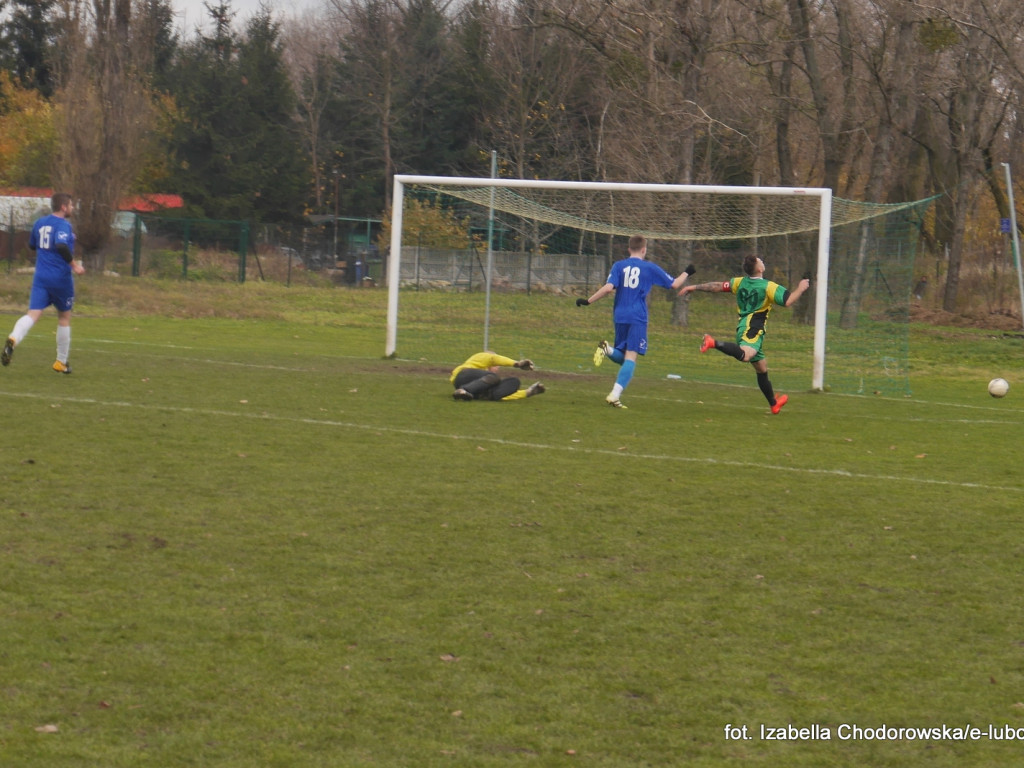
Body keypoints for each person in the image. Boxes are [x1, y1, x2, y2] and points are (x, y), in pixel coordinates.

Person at [679, 254, 809, 414]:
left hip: (743, 326)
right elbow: (788, 301)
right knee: (746, 356)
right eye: (760, 260)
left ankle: (773, 404)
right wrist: (801, 288)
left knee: (762, 368)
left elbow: (718, 286)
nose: (762, 260)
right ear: (760, 269)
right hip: (752, 329)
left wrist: (694, 287)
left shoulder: (740, 282)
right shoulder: (768, 286)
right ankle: (712, 342)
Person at [575, 234, 694, 408]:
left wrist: (588, 301)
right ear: (644, 250)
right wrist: (688, 271)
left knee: (625, 358)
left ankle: (607, 349)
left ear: (629, 249)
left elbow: (608, 288)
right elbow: (675, 284)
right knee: (631, 358)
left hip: (620, 315)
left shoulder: (619, 266)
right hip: (637, 316)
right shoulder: (649, 268)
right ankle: (614, 395)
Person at [2, 192, 85, 374]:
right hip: (60, 278)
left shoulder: (40, 222)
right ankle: (60, 362)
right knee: (64, 317)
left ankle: (13, 338)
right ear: (63, 206)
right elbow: (61, 245)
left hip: (41, 277)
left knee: (32, 314)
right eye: (70, 205)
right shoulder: (63, 224)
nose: (71, 208)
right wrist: (74, 265)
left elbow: (32, 245)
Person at [450, 352, 545, 401]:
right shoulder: (479, 357)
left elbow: (503, 395)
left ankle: (477, 394)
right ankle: (463, 390)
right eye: (497, 365)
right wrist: (517, 364)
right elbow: (493, 358)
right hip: (462, 376)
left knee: (514, 382)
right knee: (494, 377)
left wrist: (528, 393)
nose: (498, 368)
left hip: (475, 393)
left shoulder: (488, 380)